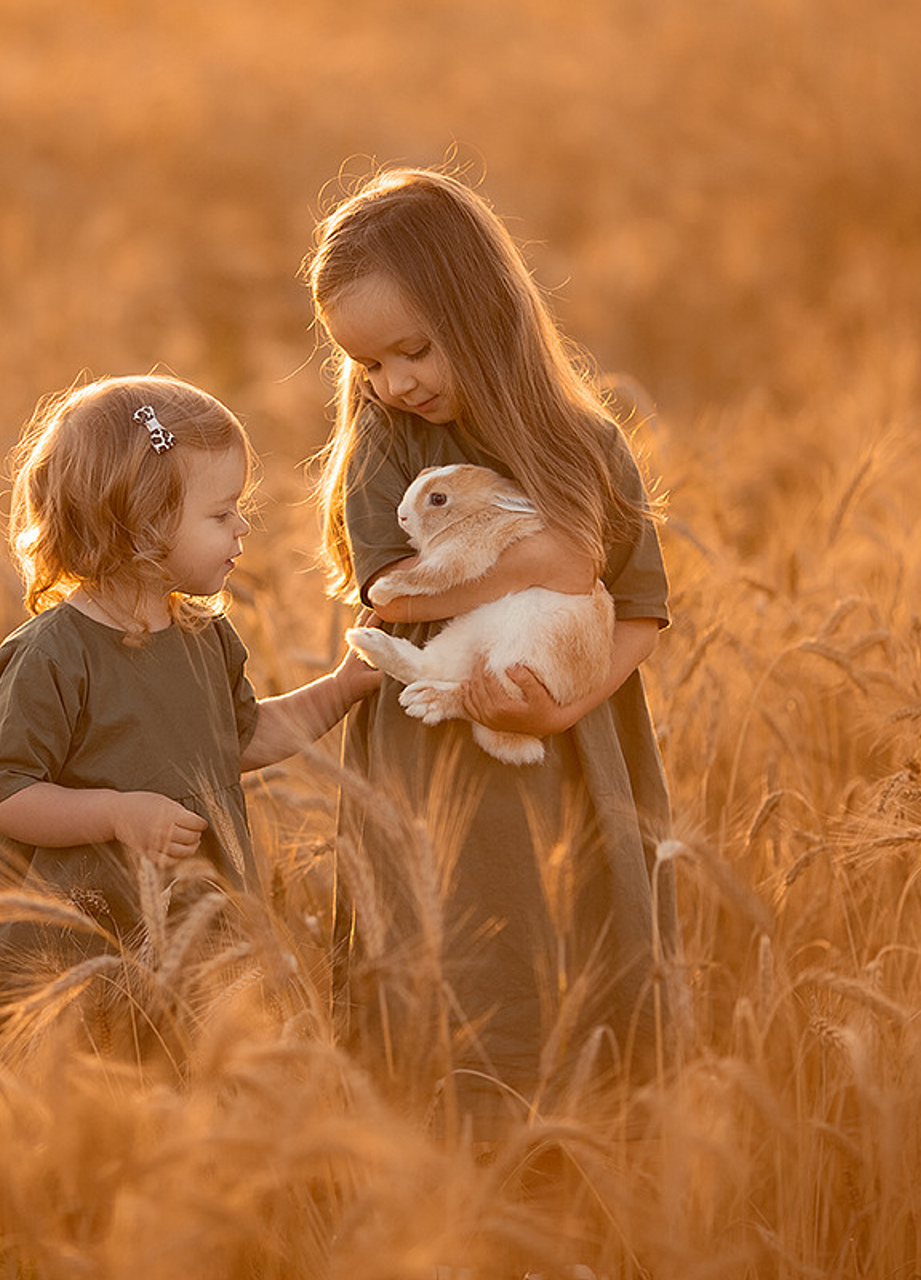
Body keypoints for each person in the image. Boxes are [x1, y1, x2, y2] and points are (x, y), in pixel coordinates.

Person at [305, 167, 676, 1136]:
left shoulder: (587, 446)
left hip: (571, 752)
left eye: (412, 350)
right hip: (439, 767)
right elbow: (390, 593)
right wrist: (538, 564)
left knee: (576, 965)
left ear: (482, 308)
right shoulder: (389, 448)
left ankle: (581, 1177)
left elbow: (637, 606)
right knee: (453, 973)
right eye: (368, 365)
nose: (393, 382)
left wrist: (558, 705)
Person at [0, 374, 379, 1045]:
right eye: (221, 515)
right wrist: (117, 813)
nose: (242, 527)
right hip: (79, 954)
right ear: (140, 523)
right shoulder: (55, 652)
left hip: (196, 941)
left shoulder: (205, 637)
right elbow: (3, 795)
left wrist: (341, 687)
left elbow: (237, 740)